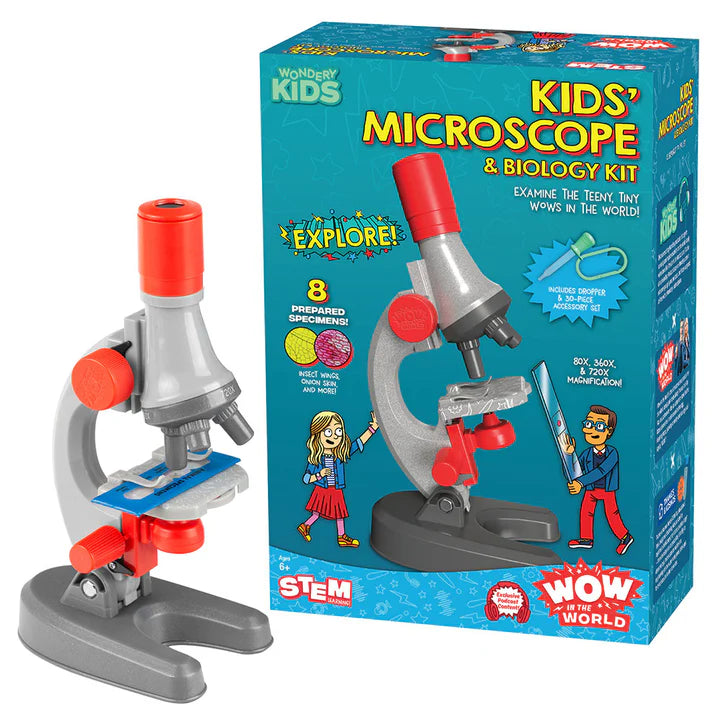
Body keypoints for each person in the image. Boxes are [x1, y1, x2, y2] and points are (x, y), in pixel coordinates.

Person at [297, 410, 378, 548]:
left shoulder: (339, 455)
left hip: (335, 489)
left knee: (336, 513)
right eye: (329, 432)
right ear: (317, 435)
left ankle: (336, 535)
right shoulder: (315, 458)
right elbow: (305, 478)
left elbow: (358, 443)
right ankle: (316, 529)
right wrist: (319, 475)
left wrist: (373, 428)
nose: (335, 436)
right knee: (319, 513)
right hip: (322, 489)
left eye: (339, 431)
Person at [562, 404, 633, 555]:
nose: (592, 430)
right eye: (589, 424)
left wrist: (580, 483)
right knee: (585, 512)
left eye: (599, 426)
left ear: (609, 431)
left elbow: (602, 471)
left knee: (612, 515)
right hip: (591, 489)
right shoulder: (587, 453)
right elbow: (573, 472)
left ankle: (625, 537)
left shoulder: (612, 453)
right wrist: (569, 455)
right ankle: (586, 539)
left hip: (607, 490)